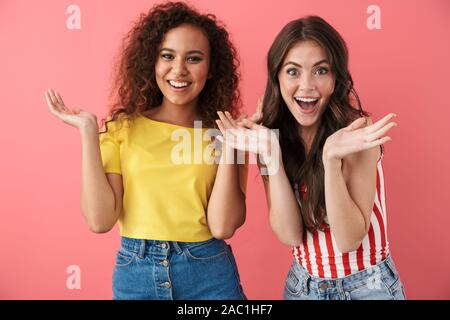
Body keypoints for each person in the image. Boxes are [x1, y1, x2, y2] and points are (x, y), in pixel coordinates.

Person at [45, 1, 247, 300]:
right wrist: (89, 133)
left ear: (211, 67)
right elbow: (100, 221)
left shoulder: (228, 135)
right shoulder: (121, 130)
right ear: (151, 61)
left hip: (209, 274)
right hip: (136, 272)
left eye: (194, 58)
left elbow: (223, 226)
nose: (179, 70)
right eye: (167, 56)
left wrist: (230, 145)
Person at [216, 16, 406, 300]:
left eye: (321, 70)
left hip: (368, 286)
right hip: (303, 287)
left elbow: (348, 239)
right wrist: (271, 154)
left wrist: (331, 160)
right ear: (277, 77)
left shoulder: (357, 133)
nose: (307, 85)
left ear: (336, 77)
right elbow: (290, 235)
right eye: (293, 72)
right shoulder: (273, 135)